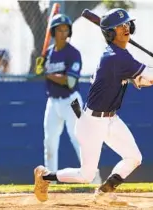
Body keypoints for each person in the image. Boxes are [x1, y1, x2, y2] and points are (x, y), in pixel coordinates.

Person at [33, 8, 153, 203]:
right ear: (110, 33)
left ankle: (104, 192)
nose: (126, 27)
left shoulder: (120, 55)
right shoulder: (115, 57)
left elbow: (141, 81)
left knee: (134, 157)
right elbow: (147, 74)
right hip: (92, 122)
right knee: (86, 175)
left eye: (127, 24)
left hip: (111, 119)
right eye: (120, 26)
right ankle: (44, 176)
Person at [38, 13, 101, 186]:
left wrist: (47, 74)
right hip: (53, 101)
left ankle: (94, 177)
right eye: (59, 29)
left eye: (66, 29)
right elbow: (39, 72)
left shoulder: (73, 54)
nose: (63, 33)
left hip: (71, 101)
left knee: (79, 138)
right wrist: (40, 65)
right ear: (53, 32)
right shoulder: (48, 54)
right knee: (49, 142)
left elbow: (70, 81)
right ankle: (49, 182)